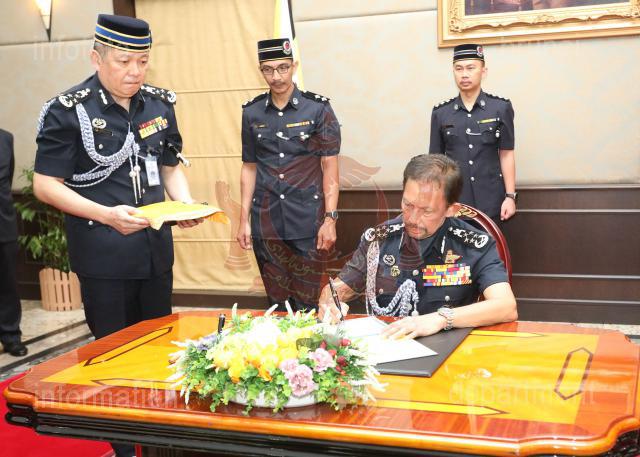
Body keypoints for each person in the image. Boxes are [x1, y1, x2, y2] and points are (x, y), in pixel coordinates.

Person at [318, 154, 517, 339]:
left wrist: (440, 319)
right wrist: (330, 304)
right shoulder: (379, 240)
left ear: (451, 209)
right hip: (389, 343)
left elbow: (506, 306)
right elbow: (336, 290)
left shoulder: (473, 244)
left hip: (449, 346)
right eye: (408, 205)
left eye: (426, 211)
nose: (412, 219)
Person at [237, 38, 341, 311]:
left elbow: (330, 166)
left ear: (294, 66)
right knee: (277, 303)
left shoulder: (318, 109)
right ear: (260, 70)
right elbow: (249, 167)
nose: (277, 76)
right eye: (268, 69)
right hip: (266, 221)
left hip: (307, 220)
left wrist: (330, 218)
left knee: (307, 302)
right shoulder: (251, 112)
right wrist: (243, 220)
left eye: (283, 68)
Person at [429, 44, 517, 223]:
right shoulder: (441, 113)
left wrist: (510, 197)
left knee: (492, 242)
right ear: (453, 72)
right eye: (459, 68)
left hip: (493, 202)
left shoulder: (500, 108)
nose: (464, 74)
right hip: (454, 202)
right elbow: (436, 162)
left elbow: (507, 153)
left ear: (483, 71)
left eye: (470, 68)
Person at [0, 128, 27, 357]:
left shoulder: (5, 138)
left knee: (7, 283)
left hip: (3, 224)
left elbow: (6, 181)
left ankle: (11, 336)